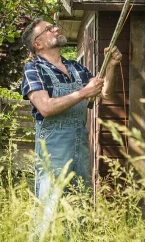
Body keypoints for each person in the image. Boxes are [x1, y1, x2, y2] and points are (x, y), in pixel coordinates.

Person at [20, 17, 122, 237]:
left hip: (81, 148)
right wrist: (83, 92)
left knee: (80, 212)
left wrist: (111, 67)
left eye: (53, 26)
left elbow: (104, 94)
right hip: (53, 153)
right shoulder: (33, 69)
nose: (56, 28)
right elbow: (45, 107)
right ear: (37, 43)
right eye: (48, 29)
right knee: (49, 212)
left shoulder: (75, 67)